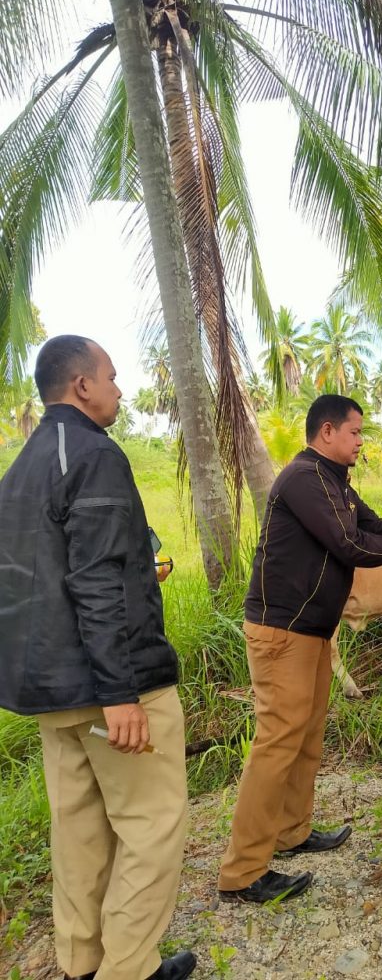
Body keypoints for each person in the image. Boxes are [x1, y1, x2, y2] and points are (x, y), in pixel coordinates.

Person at [218, 394, 382, 903]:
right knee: (277, 744)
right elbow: (351, 546)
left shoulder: (333, 482)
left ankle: (292, 833)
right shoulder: (303, 480)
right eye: (356, 433)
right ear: (328, 431)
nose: (362, 442)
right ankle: (243, 871)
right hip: (283, 630)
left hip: (311, 629)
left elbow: (379, 528)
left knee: (306, 736)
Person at [0, 336, 195, 980]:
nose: (119, 388)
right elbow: (97, 577)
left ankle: (81, 964)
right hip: (106, 684)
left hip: (48, 690)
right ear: (81, 386)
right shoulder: (94, 454)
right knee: (152, 826)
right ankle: (129, 970)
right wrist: (121, 691)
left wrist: (141, 573)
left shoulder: (24, 461)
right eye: (111, 376)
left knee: (79, 831)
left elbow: (43, 576)